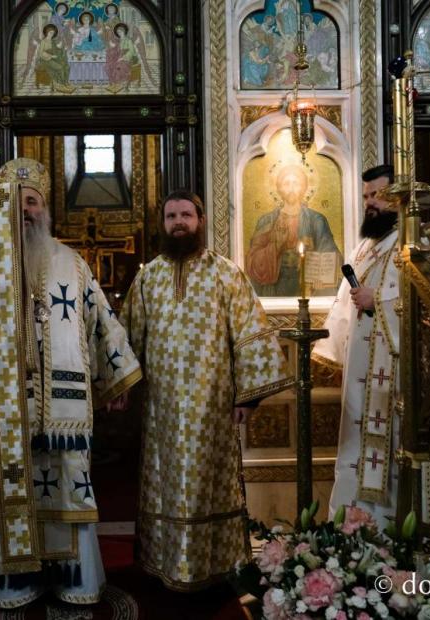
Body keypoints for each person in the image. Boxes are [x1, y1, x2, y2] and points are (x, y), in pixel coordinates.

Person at [0, 158, 140, 608]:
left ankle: (74, 581)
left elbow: (100, 319)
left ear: (44, 209)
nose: (25, 211)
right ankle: (13, 583)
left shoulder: (72, 263)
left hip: (66, 408)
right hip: (5, 406)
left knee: (68, 488)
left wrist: (116, 377)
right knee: (7, 486)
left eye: (32, 202)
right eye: (15, 202)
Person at [121, 190, 290, 592]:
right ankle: (164, 561)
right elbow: (128, 335)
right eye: (171, 216)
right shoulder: (148, 277)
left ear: (200, 220)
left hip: (212, 406)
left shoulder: (225, 273)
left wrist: (247, 396)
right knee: (164, 483)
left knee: (212, 485)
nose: (178, 222)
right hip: (162, 409)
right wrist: (122, 385)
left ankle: (219, 564)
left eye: (186, 215)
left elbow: (249, 332)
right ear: (163, 224)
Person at [313, 165, 430, 532]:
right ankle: (360, 539)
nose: (370, 203)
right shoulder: (364, 249)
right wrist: (328, 350)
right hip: (362, 383)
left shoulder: (422, 244)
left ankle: (412, 536)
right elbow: (345, 305)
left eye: (377, 196)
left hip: (404, 384)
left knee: (401, 456)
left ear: (398, 199)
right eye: (366, 196)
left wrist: (379, 300)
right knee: (359, 456)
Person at [245, 164, 340, 296]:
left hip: (308, 288)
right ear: (279, 188)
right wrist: (275, 247)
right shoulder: (267, 221)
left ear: (304, 187)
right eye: (286, 183)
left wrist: (322, 277)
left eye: (296, 183)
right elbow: (252, 262)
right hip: (274, 289)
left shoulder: (316, 220)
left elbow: (330, 254)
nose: (291, 188)